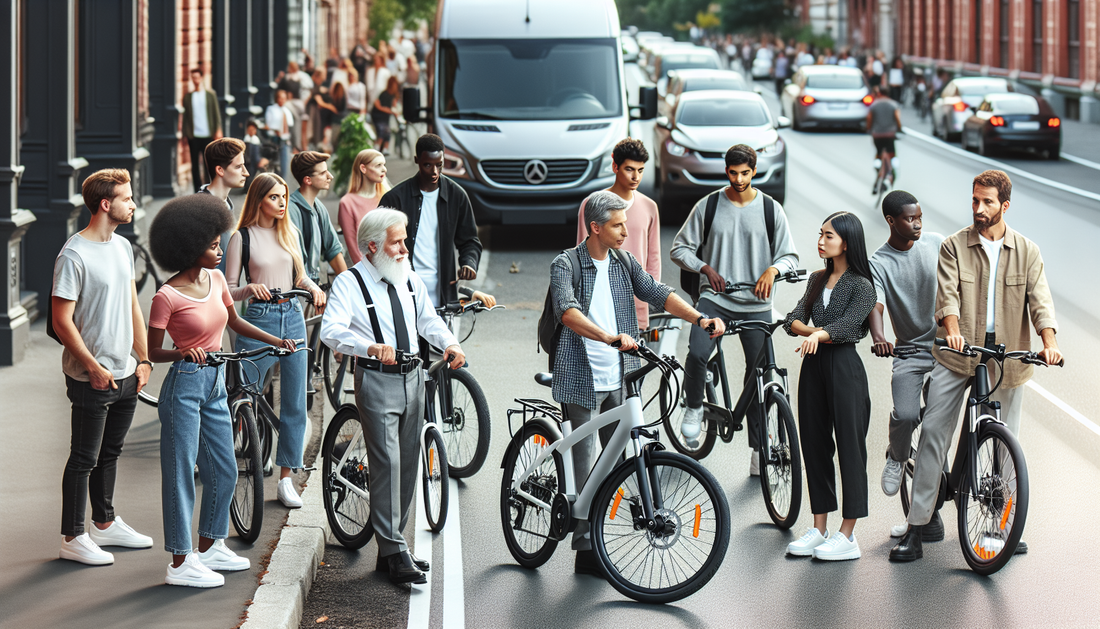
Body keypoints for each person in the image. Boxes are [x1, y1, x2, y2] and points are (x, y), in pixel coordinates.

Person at [551, 190, 726, 576]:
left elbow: (659, 293)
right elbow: (566, 312)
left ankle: (598, 530)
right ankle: (585, 548)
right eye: (617, 225)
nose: (625, 232)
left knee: (618, 460)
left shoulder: (623, 262)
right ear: (594, 227)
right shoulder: (566, 264)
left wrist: (699, 318)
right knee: (585, 465)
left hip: (620, 374)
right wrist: (608, 336)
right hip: (581, 374)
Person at [890, 170, 1061, 562]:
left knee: (1005, 447)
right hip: (957, 353)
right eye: (974, 200)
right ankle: (916, 528)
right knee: (934, 432)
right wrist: (950, 330)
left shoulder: (1027, 251)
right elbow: (946, 295)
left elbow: (1041, 302)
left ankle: (1003, 526)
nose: (979, 209)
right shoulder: (953, 246)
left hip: (1005, 359)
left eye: (987, 202)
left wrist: (1049, 343)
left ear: (1004, 205)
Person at [147, 194, 296, 588]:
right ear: (189, 247)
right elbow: (150, 351)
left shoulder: (214, 280)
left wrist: (275, 340)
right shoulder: (167, 296)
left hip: (216, 382)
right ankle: (180, 562)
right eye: (213, 245)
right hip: (184, 384)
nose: (220, 249)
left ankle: (210, 545)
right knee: (180, 473)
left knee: (226, 468)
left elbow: (235, 322)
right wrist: (182, 351)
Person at [320, 209, 466, 584]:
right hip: (377, 379)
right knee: (386, 463)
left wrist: (449, 343)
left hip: (413, 377)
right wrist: (367, 346)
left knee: (407, 461)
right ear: (372, 246)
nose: (404, 248)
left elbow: (427, 320)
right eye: (396, 242)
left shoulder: (407, 278)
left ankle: (391, 548)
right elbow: (330, 330)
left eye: (404, 240)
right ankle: (394, 549)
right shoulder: (350, 283)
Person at [670, 145, 798, 473]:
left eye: (745, 173)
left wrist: (773, 271)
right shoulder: (709, 206)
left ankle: (759, 449)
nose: (739, 179)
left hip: (757, 306)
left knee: (760, 376)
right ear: (726, 171)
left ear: (754, 172)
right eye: (733, 172)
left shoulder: (771, 210)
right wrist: (704, 268)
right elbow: (679, 248)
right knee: (698, 352)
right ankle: (695, 406)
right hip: (716, 300)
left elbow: (790, 257)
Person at [53, 169, 155, 566]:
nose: (133, 203)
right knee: (84, 457)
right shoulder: (74, 255)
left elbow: (133, 306)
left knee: (110, 453)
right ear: (105, 204)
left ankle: (105, 523)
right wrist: (93, 367)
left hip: (127, 371)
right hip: (90, 377)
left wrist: (143, 360)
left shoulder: (122, 247)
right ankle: (72, 536)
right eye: (127, 198)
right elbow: (62, 321)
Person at [224, 173, 327, 508]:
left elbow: (299, 274)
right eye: (274, 198)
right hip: (258, 319)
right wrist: (248, 289)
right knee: (243, 396)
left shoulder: (290, 233)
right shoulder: (243, 238)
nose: (282, 203)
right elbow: (227, 288)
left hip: (293, 316)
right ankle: (230, 461)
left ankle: (286, 479)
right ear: (259, 200)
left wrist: (312, 287)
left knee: (296, 402)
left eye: (284, 197)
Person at [783, 211, 877, 561]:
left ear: (847, 243)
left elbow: (851, 325)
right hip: (815, 366)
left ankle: (847, 534)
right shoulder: (816, 279)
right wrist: (814, 333)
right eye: (820, 234)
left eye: (829, 236)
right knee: (814, 444)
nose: (821, 241)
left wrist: (820, 333)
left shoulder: (862, 285)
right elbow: (792, 320)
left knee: (851, 447)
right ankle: (819, 527)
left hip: (845, 368)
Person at [867, 191, 945, 537]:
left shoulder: (937, 243)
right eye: (909, 219)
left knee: (937, 430)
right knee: (907, 414)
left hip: (948, 349)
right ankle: (897, 456)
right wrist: (879, 336)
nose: (916, 224)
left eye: (919, 218)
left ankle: (933, 506)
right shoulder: (879, 262)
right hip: (911, 352)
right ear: (891, 221)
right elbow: (876, 303)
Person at [379, 134, 482, 309]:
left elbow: (469, 240)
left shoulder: (456, 196)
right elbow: (379, 245)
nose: (434, 171)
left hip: (443, 294)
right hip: (403, 291)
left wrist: (469, 262)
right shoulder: (395, 199)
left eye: (439, 165)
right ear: (417, 160)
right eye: (428, 165)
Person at [574, 138, 661, 330]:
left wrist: (651, 297)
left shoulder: (650, 207)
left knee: (634, 359)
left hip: (636, 303)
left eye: (640, 170)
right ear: (615, 167)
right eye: (629, 169)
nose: (635, 177)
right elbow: (581, 254)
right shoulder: (591, 205)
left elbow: (653, 259)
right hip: (599, 302)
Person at [288, 151, 348, 285]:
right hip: (296, 291)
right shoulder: (291, 210)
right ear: (307, 180)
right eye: (323, 173)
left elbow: (333, 249)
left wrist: (349, 287)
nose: (330, 176)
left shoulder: (319, 207)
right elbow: (294, 259)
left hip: (313, 287)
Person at [199, 138, 249, 274]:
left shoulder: (226, 204)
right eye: (238, 167)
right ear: (220, 170)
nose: (246, 173)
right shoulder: (203, 210)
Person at [339, 149, 392, 264]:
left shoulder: (388, 196)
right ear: (363, 168)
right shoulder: (347, 203)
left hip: (391, 265)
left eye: (384, 164)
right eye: (378, 165)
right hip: (364, 271)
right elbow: (353, 248)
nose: (384, 169)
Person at [182, 68, 223, 192]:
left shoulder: (210, 95)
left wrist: (218, 130)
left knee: (208, 164)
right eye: (193, 77)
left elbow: (216, 114)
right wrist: (186, 134)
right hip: (194, 136)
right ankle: (197, 190)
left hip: (208, 134)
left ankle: (208, 188)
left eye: (197, 77)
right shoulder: (188, 97)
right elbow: (186, 118)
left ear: (201, 78)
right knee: (195, 165)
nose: (195, 80)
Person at [867, 86, 902, 194]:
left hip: (877, 135)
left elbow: (869, 119)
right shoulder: (893, 104)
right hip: (890, 135)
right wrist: (899, 128)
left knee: (878, 154)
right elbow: (897, 118)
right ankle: (890, 173)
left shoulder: (874, 105)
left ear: (879, 93)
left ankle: (878, 169)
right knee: (892, 155)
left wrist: (869, 129)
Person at [265, 90, 294, 182]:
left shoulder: (287, 111)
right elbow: (268, 124)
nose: (282, 100)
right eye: (280, 98)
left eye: (284, 98)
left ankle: (282, 183)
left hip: (285, 140)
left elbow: (290, 126)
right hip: (274, 139)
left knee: (285, 164)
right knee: (275, 164)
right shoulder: (271, 109)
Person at [371, 77, 400, 153]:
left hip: (385, 117)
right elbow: (377, 103)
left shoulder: (394, 96)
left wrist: (396, 114)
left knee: (387, 131)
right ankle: (377, 147)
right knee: (382, 130)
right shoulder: (384, 93)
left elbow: (394, 107)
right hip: (378, 115)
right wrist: (384, 109)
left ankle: (385, 149)